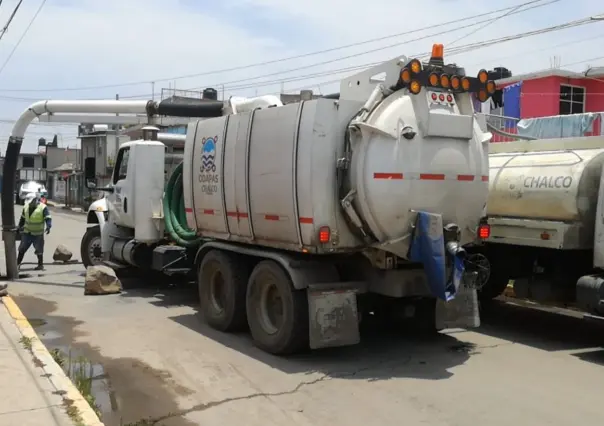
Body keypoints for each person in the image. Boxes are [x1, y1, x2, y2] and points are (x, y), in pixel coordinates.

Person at [17, 192, 52, 271]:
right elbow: (22, 218)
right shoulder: (26, 207)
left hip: (38, 234)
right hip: (27, 233)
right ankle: (17, 264)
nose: (30, 203)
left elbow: (48, 217)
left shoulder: (43, 207)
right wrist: (19, 226)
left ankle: (40, 265)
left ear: (36, 200)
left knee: (39, 250)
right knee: (22, 249)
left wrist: (49, 226)